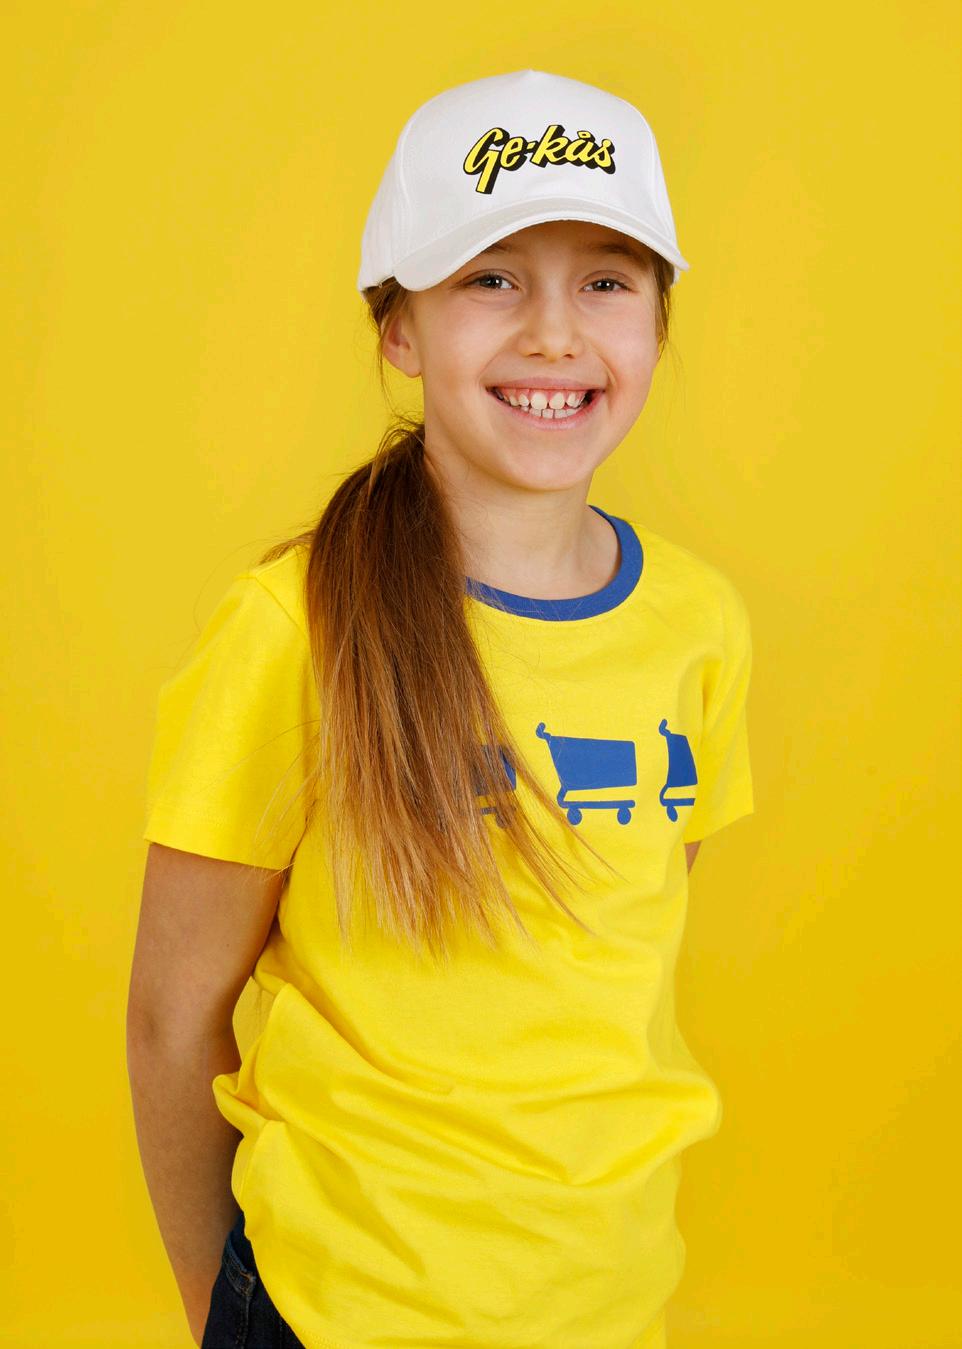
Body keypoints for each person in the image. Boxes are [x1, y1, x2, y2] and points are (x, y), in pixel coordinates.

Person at [127, 68, 755, 1349]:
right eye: (490, 278)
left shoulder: (698, 625)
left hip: (607, 1305)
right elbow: (170, 1019)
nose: (554, 335)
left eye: (605, 281)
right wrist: (215, 1316)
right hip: (333, 1310)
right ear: (397, 328)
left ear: (656, 320)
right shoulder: (293, 628)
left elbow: (606, 968)